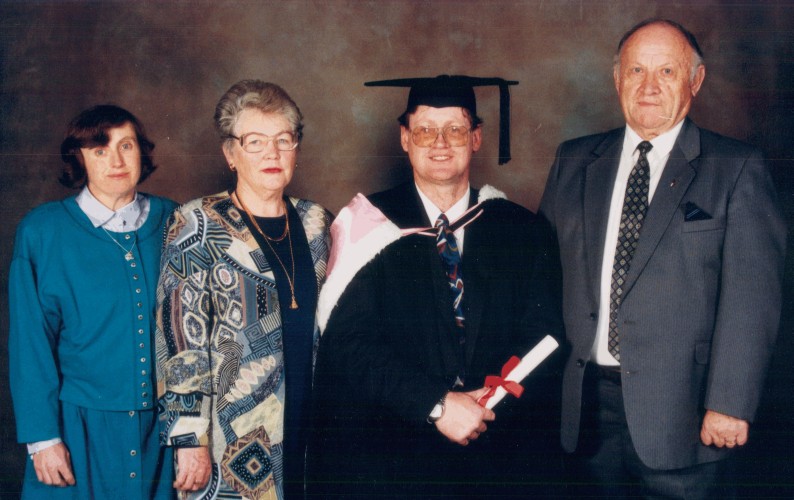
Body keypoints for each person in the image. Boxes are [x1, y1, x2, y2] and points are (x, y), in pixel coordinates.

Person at [539, 18, 787, 498]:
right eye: (635, 71)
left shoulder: (736, 169)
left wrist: (730, 402)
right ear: (617, 80)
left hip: (686, 412)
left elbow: (752, 300)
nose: (649, 87)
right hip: (584, 412)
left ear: (695, 80)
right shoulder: (573, 159)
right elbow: (541, 278)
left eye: (667, 72)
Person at [308, 75, 563, 498]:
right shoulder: (365, 227)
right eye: (425, 129)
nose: (440, 143)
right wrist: (437, 404)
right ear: (405, 138)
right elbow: (348, 345)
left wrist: (490, 405)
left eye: (456, 130)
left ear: (476, 138)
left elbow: (545, 334)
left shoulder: (521, 229)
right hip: (395, 454)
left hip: (497, 454)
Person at [155, 80, 332, 500]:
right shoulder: (197, 224)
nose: (271, 153)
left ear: (296, 149)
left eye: (282, 140)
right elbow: (180, 339)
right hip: (231, 437)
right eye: (254, 141)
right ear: (230, 154)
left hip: (314, 428)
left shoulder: (317, 222)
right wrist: (188, 440)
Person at [8, 104, 176, 498]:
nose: (115, 160)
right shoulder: (41, 232)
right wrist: (43, 439)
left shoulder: (176, 220)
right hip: (76, 429)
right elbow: (29, 344)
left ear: (142, 153)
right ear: (79, 158)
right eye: (100, 150)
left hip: (163, 433)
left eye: (126, 145)